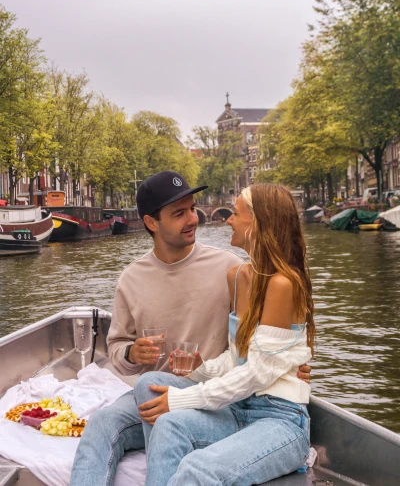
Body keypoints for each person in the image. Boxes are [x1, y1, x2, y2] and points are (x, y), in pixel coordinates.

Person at [70, 172, 311, 486]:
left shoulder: (231, 266)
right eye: (179, 213)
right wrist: (132, 351)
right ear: (151, 222)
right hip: (202, 386)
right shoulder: (132, 279)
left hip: (229, 395)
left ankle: (174, 463)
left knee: (175, 430)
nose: (194, 219)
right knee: (111, 416)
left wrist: (295, 363)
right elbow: (117, 350)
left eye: (193, 208)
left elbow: (275, 343)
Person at [134, 183, 315, 485]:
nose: (228, 220)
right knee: (157, 405)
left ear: (258, 223)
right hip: (237, 408)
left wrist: (182, 400)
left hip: (279, 420)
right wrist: (202, 368)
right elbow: (238, 360)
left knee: (198, 468)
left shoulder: (283, 284)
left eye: (235, 214)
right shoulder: (240, 277)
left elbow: (257, 374)